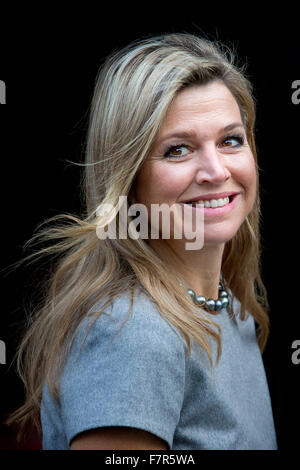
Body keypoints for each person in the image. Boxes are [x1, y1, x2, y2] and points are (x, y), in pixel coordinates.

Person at [4, 32, 278, 450]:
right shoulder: (132, 332)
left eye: (230, 141)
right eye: (178, 150)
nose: (216, 170)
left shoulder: (231, 308)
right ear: (129, 178)